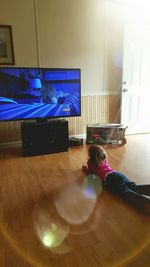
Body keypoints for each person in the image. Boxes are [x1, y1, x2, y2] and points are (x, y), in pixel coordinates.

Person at [82, 145, 150, 215]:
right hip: (117, 173)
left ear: (90, 155)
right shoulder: (103, 159)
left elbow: (90, 174)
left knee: (125, 192)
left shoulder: (90, 162)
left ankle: (145, 204)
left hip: (110, 178)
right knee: (134, 187)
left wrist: (85, 169)